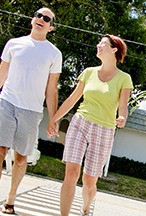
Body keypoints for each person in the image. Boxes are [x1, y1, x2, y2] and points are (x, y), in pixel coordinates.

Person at [47, 34, 133, 216]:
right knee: (71, 173)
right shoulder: (88, 72)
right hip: (81, 122)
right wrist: (53, 119)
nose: (98, 46)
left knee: (89, 180)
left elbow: (123, 107)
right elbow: (72, 99)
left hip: (104, 129)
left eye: (102, 44)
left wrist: (122, 118)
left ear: (114, 49)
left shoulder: (124, 78)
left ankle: (86, 208)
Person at [0, 7, 62, 214]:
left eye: (46, 18)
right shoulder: (14, 44)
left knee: (20, 158)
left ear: (50, 27)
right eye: (38, 16)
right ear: (32, 20)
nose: (41, 19)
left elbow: (51, 89)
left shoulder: (54, 53)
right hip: (6, 102)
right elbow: (2, 73)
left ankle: (11, 198)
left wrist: (53, 118)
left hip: (31, 111)